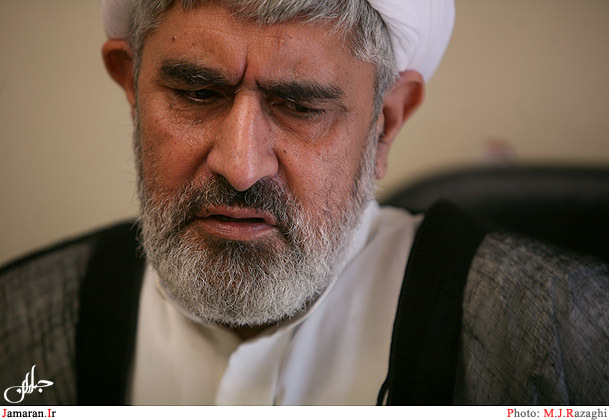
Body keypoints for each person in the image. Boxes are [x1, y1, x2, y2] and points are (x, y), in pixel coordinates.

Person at [1, 0, 608, 406]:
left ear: (386, 121)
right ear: (130, 84)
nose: (241, 167)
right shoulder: (17, 327)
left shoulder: (566, 341)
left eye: (300, 106)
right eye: (197, 93)